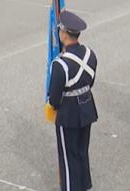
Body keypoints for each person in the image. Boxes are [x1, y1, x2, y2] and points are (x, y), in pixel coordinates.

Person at [45, 11, 97, 191]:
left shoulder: (61, 64)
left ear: (64, 33)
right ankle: (84, 186)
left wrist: (53, 106)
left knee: (68, 158)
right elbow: (91, 81)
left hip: (68, 113)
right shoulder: (91, 54)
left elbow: (54, 98)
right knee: (82, 152)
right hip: (87, 107)